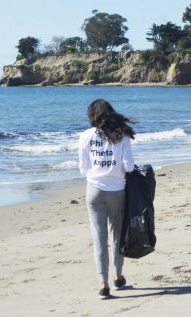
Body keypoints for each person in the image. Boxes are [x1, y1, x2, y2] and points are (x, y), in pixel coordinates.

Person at [78, 99, 135, 299]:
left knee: (98, 238)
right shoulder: (123, 135)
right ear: (111, 113)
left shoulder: (85, 136)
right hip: (117, 190)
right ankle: (118, 277)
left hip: (93, 190)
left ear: (92, 115)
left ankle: (103, 283)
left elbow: (83, 168)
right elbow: (128, 166)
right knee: (116, 236)